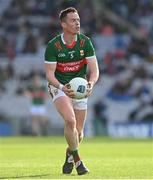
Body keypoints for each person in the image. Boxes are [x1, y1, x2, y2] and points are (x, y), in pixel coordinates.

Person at [44, 7, 99, 175]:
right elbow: (49, 75)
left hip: (80, 89)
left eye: (78, 20)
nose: (77, 23)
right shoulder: (53, 46)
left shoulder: (85, 42)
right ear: (63, 24)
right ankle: (78, 162)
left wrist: (90, 84)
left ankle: (70, 153)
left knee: (79, 134)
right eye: (73, 20)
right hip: (59, 87)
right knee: (70, 120)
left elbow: (95, 70)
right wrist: (62, 87)